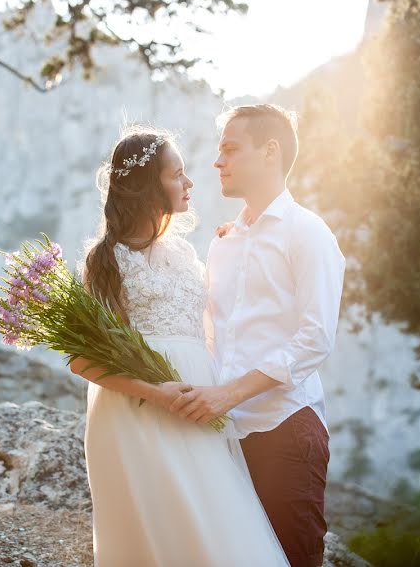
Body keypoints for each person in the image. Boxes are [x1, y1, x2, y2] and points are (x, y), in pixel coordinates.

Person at [70, 125, 290, 566]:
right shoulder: (105, 260)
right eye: (177, 174)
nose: (189, 182)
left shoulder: (186, 254)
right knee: (167, 533)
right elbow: (83, 360)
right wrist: (158, 392)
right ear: (146, 186)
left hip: (199, 401)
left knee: (220, 527)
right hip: (139, 410)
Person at [170, 104, 346, 567]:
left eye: (229, 148)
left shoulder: (309, 233)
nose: (217, 162)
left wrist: (229, 394)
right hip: (224, 435)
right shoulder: (222, 242)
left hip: (285, 428)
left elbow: (314, 339)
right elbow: (214, 335)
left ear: (270, 152)